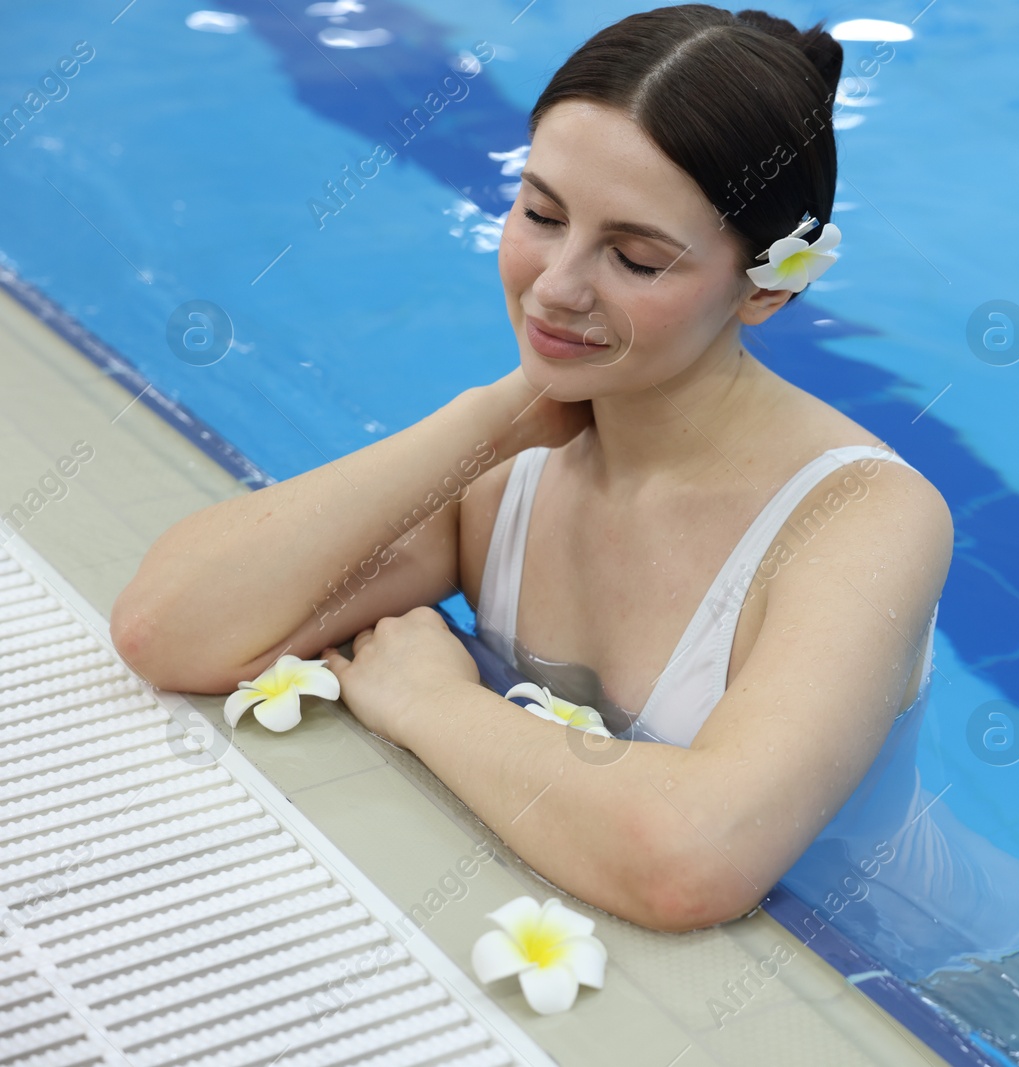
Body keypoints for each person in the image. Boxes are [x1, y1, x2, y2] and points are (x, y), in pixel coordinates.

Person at [110, 5, 953, 936]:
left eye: (634, 257)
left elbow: (691, 863)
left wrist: (434, 706)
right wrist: (486, 420)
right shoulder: (506, 464)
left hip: (918, 953)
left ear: (767, 285)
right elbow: (168, 630)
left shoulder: (864, 517)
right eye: (541, 212)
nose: (555, 285)